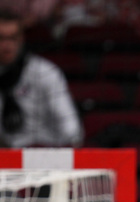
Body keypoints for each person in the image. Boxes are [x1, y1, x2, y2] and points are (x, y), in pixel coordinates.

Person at [0, 9, 82, 148]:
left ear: (21, 39)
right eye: (1, 38)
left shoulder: (46, 72)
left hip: (44, 153)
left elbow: (72, 132)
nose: (7, 46)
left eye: (13, 38)